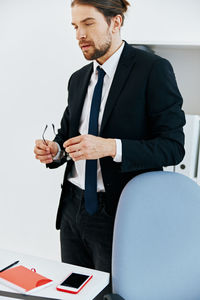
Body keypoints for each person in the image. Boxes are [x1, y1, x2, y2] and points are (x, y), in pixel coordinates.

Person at [34, 0, 185, 283]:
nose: (79, 34)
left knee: (113, 292)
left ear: (115, 22)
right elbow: (67, 136)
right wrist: (55, 151)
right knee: (75, 291)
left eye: (88, 23)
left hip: (119, 213)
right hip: (72, 210)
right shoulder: (78, 79)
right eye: (75, 26)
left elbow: (173, 146)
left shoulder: (153, 70)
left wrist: (110, 147)